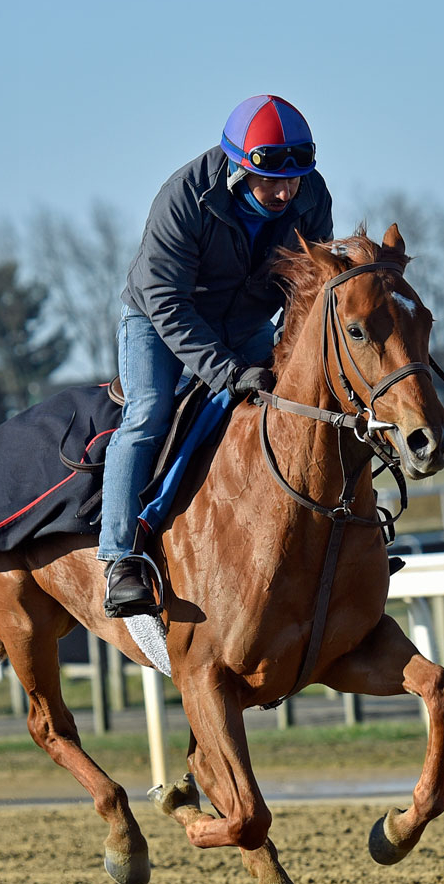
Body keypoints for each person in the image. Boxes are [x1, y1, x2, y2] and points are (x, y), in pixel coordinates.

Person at [99, 94, 333, 616]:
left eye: (293, 179)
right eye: (270, 180)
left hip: (246, 320)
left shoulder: (312, 194)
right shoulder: (184, 195)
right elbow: (165, 301)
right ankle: (120, 560)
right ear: (236, 166)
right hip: (161, 319)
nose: (284, 191)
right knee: (148, 414)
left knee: (306, 406)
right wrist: (228, 372)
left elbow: (309, 286)